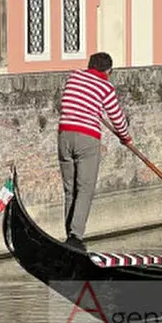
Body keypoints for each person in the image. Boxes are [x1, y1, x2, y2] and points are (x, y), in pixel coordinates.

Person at [58, 52, 133, 251]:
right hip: (87, 139)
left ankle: (69, 235)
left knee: (70, 189)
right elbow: (117, 118)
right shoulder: (105, 87)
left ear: (89, 65)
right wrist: (125, 138)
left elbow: (70, 102)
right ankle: (75, 237)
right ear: (108, 71)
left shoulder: (74, 77)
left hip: (64, 135)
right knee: (85, 188)